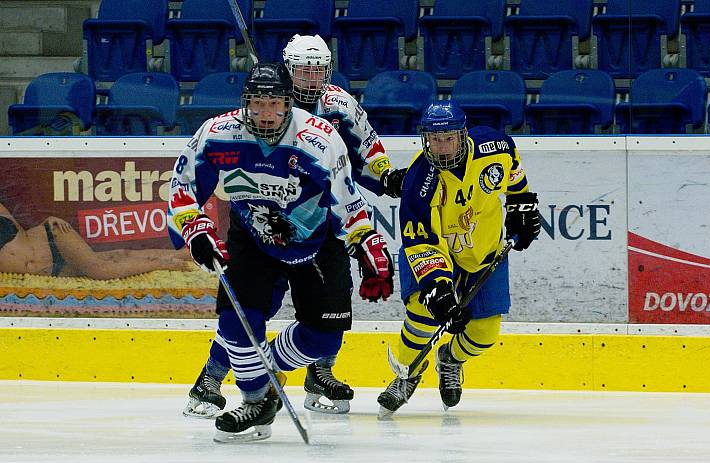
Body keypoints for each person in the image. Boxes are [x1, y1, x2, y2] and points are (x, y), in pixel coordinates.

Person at [168, 62, 393, 442]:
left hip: (316, 242)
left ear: (290, 103)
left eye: (275, 104)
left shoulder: (318, 139)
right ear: (245, 102)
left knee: (324, 337)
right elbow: (182, 186)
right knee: (236, 323)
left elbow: (347, 198)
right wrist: (196, 230)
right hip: (252, 238)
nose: (267, 114)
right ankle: (256, 400)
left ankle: (263, 370)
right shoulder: (218, 133)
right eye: (257, 104)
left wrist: (368, 244)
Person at [376, 101, 540, 418]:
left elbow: (514, 175)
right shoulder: (418, 182)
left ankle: (450, 359)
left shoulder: (495, 147)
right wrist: (438, 290)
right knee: (423, 314)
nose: (440, 146)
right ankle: (406, 374)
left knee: (485, 333)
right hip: (440, 256)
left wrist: (522, 204)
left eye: (448, 138)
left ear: (463, 135)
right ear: (425, 139)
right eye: (434, 139)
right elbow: (422, 242)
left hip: (483, 251)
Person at [0, 202, 190, 279]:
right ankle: (184, 254)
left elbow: (19, 229)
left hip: (53, 237)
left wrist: (46, 222)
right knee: (114, 257)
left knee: (100, 269)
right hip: (52, 270)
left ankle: (160, 264)